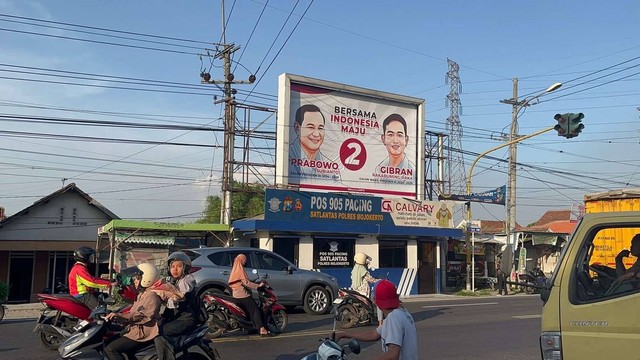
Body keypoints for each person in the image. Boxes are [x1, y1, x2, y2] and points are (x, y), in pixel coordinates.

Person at [335, 280, 418, 360]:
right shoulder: (402, 312)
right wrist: (344, 334)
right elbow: (374, 334)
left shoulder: (394, 318)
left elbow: (393, 355)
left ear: (375, 300)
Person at [104, 263, 163, 360]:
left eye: (137, 278)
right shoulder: (141, 294)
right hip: (133, 329)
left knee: (110, 349)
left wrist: (119, 315)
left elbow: (141, 316)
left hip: (142, 332)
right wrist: (115, 316)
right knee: (107, 340)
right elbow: (131, 311)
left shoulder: (151, 296)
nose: (135, 281)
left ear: (146, 278)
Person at [154, 251, 199, 360]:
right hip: (175, 318)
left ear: (185, 267)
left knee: (158, 333)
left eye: (179, 266)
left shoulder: (187, 280)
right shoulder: (175, 281)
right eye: (172, 266)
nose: (175, 269)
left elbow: (181, 295)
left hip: (186, 319)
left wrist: (172, 293)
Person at [288, 104, 341, 182]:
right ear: (297, 128)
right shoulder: (287, 156)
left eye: (320, 128)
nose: (316, 134)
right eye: (311, 127)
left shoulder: (332, 167)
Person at [228, 253, 272, 337]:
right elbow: (246, 283)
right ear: (241, 261)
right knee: (255, 309)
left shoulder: (235, 269)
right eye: (245, 260)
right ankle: (262, 329)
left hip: (236, 293)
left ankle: (251, 328)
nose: (245, 262)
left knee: (248, 310)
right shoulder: (240, 270)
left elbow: (242, 281)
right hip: (242, 294)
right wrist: (258, 286)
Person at [351, 252, 382, 326]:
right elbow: (370, 279)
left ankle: (367, 318)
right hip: (363, 292)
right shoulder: (362, 270)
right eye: (365, 260)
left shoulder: (355, 268)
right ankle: (380, 321)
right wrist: (379, 280)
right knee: (377, 302)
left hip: (356, 290)